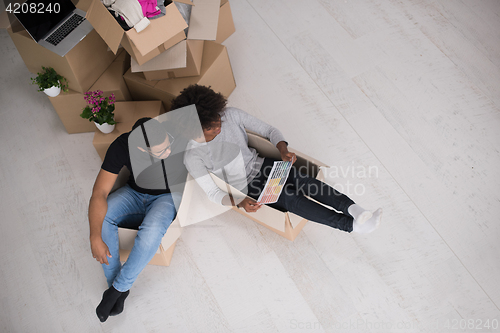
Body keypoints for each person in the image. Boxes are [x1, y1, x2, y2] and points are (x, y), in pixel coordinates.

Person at [174, 85, 382, 235]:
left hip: (263, 166)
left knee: (304, 181)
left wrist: (282, 150)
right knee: (292, 200)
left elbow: (269, 130)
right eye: (211, 128)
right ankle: (351, 226)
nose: (219, 127)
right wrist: (239, 202)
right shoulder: (193, 156)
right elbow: (212, 192)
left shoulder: (230, 115)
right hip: (248, 187)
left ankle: (356, 210)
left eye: (218, 120)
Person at [88, 116, 187, 322]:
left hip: (166, 197)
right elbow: (99, 193)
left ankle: (116, 291)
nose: (168, 152)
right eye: (161, 152)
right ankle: (115, 287)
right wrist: (94, 237)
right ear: (141, 149)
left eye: (167, 145)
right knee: (103, 217)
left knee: (151, 232)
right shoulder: (122, 146)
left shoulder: (177, 137)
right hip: (134, 193)